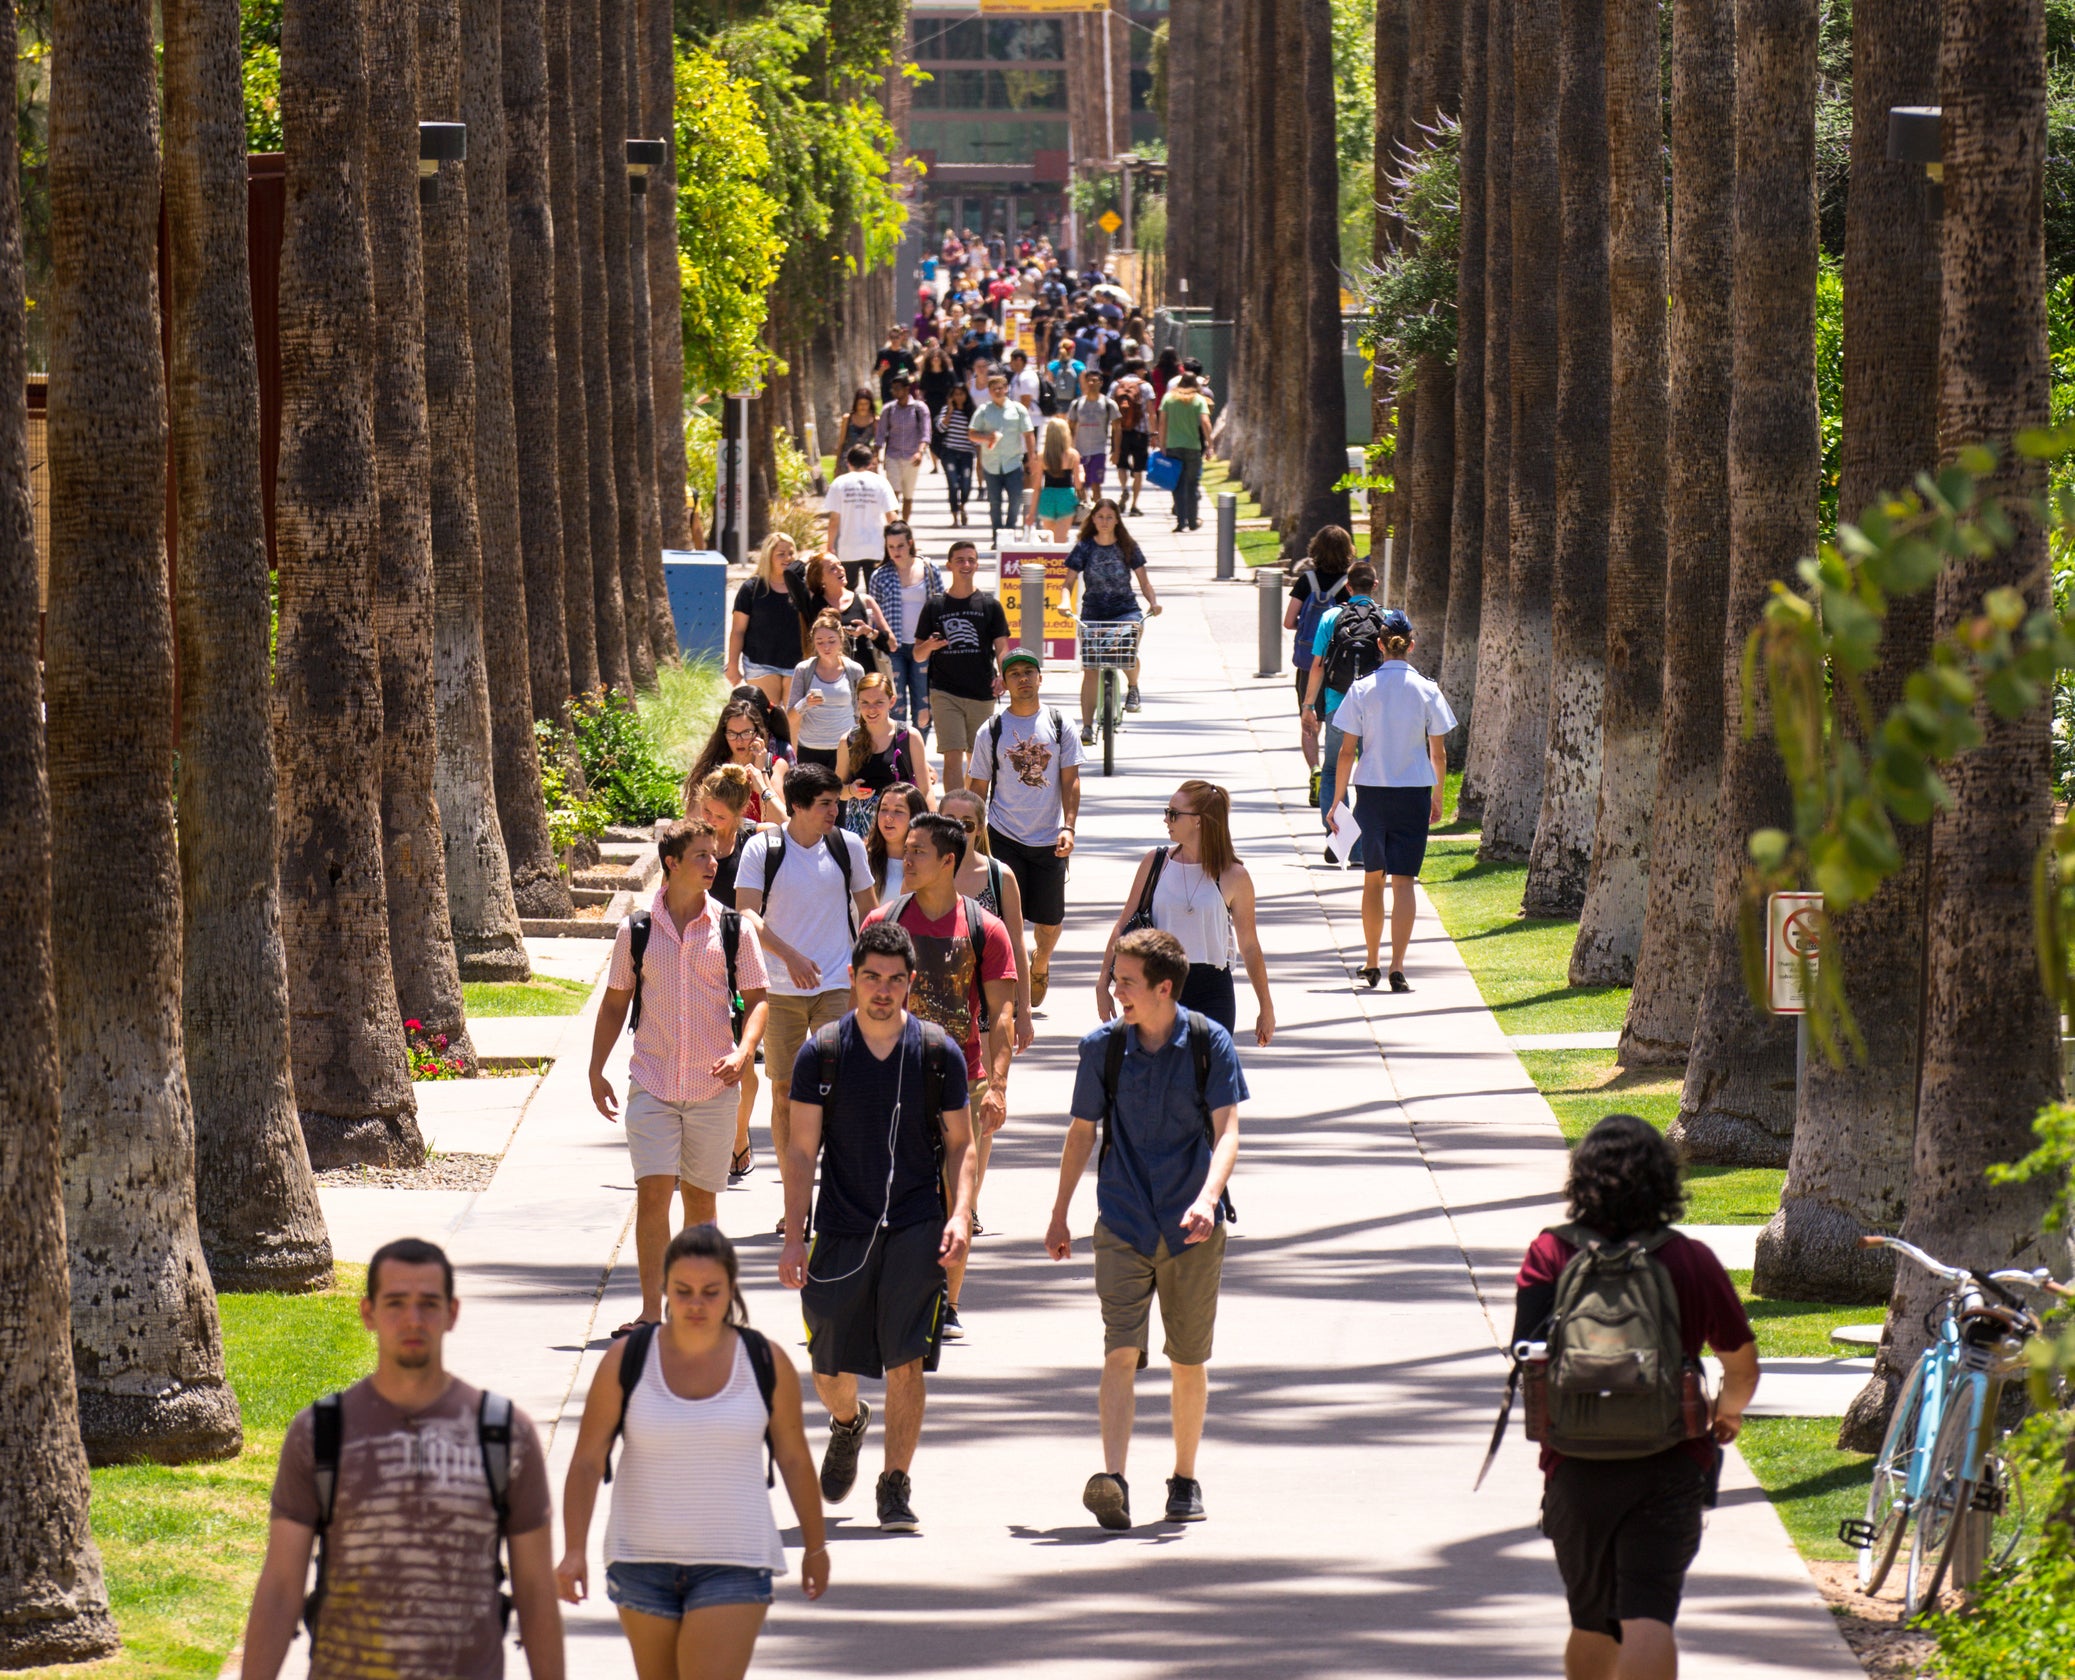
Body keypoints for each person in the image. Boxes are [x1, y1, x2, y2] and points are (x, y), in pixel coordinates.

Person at [242, 1239, 566, 1680]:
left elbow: (536, 1591)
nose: (413, 1319)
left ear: (452, 1313)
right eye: (395, 1303)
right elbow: (281, 1587)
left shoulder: (506, 1434)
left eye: (428, 1304)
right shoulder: (320, 1433)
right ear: (367, 1313)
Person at [1514, 1115, 1760, 1680]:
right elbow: (1741, 1365)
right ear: (1662, 1181)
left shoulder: (1550, 1253)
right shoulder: (1689, 1258)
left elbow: (1526, 1354)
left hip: (1574, 1463)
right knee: (1649, 1614)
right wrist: (1725, 1414)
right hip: (1670, 1460)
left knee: (1592, 1620)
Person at [556, 1226, 827, 1679]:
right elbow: (586, 1462)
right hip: (640, 1562)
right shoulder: (627, 1360)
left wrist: (815, 1547)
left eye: (710, 1291)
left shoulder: (764, 1360)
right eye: (682, 1291)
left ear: (731, 1292)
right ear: (663, 1289)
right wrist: (572, 1551)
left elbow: (795, 1459)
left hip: (735, 1561)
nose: (696, 1303)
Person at [777, 922, 977, 1534]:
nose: (883, 991)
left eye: (895, 980)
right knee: (828, 1366)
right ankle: (846, 1421)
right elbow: (800, 1149)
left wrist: (961, 1213)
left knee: (904, 1361)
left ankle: (895, 1484)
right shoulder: (824, 1052)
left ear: (911, 985)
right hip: (841, 1225)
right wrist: (793, 1235)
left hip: (916, 1225)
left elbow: (962, 1144)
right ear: (853, 980)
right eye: (872, 978)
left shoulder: (939, 1053)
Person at [1044, 929, 1246, 1532]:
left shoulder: (1210, 1043)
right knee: (1120, 1351)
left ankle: (1184, 1480)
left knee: (1187, 1359)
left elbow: (1228, 1130)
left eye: (1126, 981)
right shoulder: (1102, 1048)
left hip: (1191, 1227)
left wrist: (1209, 1199)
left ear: (1163, 988)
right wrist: (1059, 1213)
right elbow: (1082, 1132)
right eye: (1115, 978)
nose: (1115, 990)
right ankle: (1115, 1481)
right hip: (1124, 1221)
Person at [591, 820, 770, 1332]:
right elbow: (614, 1004)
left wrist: (744, 1052)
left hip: (715, 1087)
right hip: (653, 1082)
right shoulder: (638, 930)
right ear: (672, 863)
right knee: (652, 1194)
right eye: (701, 856)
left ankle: (700, 1312)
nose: (713, 864)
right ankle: (652, 1312)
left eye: (714, 855)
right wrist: (595, 1069)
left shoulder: (733, 927)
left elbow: (758, 1000)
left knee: (701, 1202)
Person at [862, 813, 1018, 1343]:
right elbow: (863, 1000)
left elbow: (1000, 1015)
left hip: (963, 1078)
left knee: (958, 1195)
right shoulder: (884, 924)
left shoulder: (984, 928)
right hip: (891, 1074)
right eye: (906, 850)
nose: (906, 859)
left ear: (949, 861)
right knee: (890, 1189)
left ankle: (948, 1303)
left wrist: (997, 1085)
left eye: (919, 852)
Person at [734, 763, 879, 1234]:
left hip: (838, 983)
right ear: (796, 806)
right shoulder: (763, 848)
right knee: (783, 1092)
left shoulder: (847, 845)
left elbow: (870, 911)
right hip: (778, 988)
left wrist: (877, 975)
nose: (835, 811)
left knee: (842, 1089)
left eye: (835, 803)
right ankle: (795, 1200)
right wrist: (791, 956)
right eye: (825, 804)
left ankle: (839, 1192)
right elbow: (746, 914)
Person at [1328, 607, 1457, 992]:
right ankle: (1397, 966)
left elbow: (1346, 752)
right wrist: (1438, 795)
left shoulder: (1362, 689)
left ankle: (1371, 962)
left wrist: (1338, 800)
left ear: (1380, 646)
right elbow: (1439, 753)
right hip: (1414, 793)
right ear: (1411, 646)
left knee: (1372, 880)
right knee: (1404, 882)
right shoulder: (1428, 689)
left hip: (1371, 794)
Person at [1097, 781, 1274, 1046]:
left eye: (1174, 814)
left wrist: (1266, 1006)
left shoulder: (1233, 876)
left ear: (1199, 821)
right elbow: (1123, 925)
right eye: (1167, 811)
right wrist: (1103, 983)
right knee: (1161, 1077)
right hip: (1158, 986)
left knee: (1207, 1077)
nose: (1166, 819)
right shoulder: (1155, 864)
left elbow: (1249, 946)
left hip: (1212, 990)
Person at [966, 648, 1082, 1010]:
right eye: (1014, 673)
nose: (1023, 679)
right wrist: (971, 836)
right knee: (1001, 920)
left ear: (1040, 679)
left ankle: (1041, 962)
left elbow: (1071, 780)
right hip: (1003, 835)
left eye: (1029, 673)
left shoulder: (1061, 725)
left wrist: (1069, 827)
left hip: (1049, 838)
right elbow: (978, 787)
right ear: (1005, 682)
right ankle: (1007, 990)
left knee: (1050, 922)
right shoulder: (993, 730)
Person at [696, 767, 770, 1186]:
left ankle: (739, 1137)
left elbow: (792, 828)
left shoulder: (757, 841)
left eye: (719, 815)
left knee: (745, 1062)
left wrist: (761, 783)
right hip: (700, 960)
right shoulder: (694, 842)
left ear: (740, 813)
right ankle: (710, 1139)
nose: (709, 820)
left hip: (743, 964)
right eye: (705, 810)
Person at [1302, 558, 1385, 856]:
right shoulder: (1387, 618)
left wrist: (1308, 705)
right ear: (1375, 586)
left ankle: (1338, 840)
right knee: (1369, 774)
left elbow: (1317, 666)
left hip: (1339, 705)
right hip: (1377, 709)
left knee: (1334, 770)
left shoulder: (1331, 618)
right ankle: (1362, 847)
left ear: (1348, 587)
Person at [913, 538, 1009, 794]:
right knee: (952, 754)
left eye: (971, 560)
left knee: (977, 758)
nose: (966, 565)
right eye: (960, 560)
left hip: (981, 690)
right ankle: (954, 817)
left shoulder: (990, 606)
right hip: (945, 691)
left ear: (977, 565)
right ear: (949, 565)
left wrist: (1004, 675)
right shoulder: (935, 606)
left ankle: (974, 815)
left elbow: (1001, 647)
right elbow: (918, 654)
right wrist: (930, 646)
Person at [1061, 499, 1160, 734]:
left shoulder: (1127, 546)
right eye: (1100, 517)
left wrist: (1153, 603)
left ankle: (1133, 686)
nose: (1104, 522)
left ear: (1117, 520)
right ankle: (1086, 727)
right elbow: (1068, 583)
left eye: (1109, 517)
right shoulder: (1084, 547)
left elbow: (1143, 582)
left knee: (1126, 651)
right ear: (1092, 519)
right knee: (1091, 668)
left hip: (1125, 610)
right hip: (1093, 612)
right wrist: (1064, 603)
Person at [1287, 526, 1355, 795]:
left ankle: (1314, 769)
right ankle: (1330, 774)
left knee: (1309, 722)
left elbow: (1288, 621)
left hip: (1307, 664)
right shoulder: (1348, 584)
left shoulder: (1307, 581)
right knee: (1336, 721)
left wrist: (1308, 628)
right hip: (1340, 665)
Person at [867, 524, 942, 733]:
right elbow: (875, 615)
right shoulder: (880, 575)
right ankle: (899, 757)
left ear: (910, 543)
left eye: (900, 545)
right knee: (895, 705)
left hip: (923, 646)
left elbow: (940, 604)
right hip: (893, 649)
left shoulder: (928, 569)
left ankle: (918, 755)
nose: (896, 551)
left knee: (923, 706)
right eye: (891, 547)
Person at [837, 670, 934, 830]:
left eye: (878, 702)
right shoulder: (848, 740)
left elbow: (926, 789)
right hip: (862, 828)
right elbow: (837, 790)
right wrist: (851, 791)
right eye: (865, 703)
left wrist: (931, 827)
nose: (871, 709)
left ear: (892, 701)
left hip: (901, 824)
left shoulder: (909, 737)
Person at [726, 533, 808, 708]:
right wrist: (732, 665)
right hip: (760, 664)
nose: (787, 558)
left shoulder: (803, 588)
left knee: (793, 721)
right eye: (781, 554)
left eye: (791, 553)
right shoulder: (751, 589)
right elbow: (738, 631)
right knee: (767, 719)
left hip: (797, 664)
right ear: (768, 556)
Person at [686, 700, 786, 827]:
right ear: (724, 735)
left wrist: (761, 772)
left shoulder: (776, 765)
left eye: (746, 733)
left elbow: (780, 822)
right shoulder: (713, 767)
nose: (739, 741)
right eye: (732, 734)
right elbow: (693, 822)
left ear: (758, 733)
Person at [786, 611, 866, 771]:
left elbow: (861, 713)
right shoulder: (804, 670)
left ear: (841, 639)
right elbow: (789, 717)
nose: (826, 647)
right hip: (810, 747)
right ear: (813, 642)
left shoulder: (854, 670)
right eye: (820, 642)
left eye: (831, 641)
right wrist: (805, 703)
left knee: (842, 794)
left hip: (845, 746)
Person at [969, 371, 1038, 545]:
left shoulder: (1018, 409)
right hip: (991, 463)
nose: (998, 391)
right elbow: (972, 434)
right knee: (994, 502)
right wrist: (986, 437)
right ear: (989, 391)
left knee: (1015, 499)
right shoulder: (984, 411)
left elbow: (1029, 434)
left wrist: (1032, 457)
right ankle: (997, 536)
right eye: (994, 389)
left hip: (1013, 463)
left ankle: (1010, 531)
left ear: (1007, 389)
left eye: (1001, 388)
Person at [800, 549, 893, 674]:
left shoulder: (865, 600)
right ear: (820, 579)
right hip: (828, 678)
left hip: (865, 678)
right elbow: (790, 574)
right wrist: (807, 558)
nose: (840, 569)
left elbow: (892, 644)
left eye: (840, 564)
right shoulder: (813, 604)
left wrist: (868, 632)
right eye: (832, 568)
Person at [822, 445, 900, 591]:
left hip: (848, 546)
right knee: (876, 589)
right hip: (876, 545)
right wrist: (900, 540)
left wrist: (830, 545)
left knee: (847, 590)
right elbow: (891, 516)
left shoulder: (839, 483)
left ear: (848, 463)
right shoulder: (880, 482)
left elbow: (834, 520)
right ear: (870, 463)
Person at [1155, 373, 1211, 532]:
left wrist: (1162, 443)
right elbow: (1205, 423)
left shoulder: (1168, 398)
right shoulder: (1199, 400)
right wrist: (1210, 444)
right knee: (1192, 484)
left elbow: (1162, 422)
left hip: (1173, 447)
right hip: (1193, 447)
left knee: (1178, 485)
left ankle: (1181, 522)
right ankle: (1193, 521)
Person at [875, 373, 933, 523]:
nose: (896, 392)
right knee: (893, 494)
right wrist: (876, 455)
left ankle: (904, 525)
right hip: (893, 455)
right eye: (893, 389)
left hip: (911, 457)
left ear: (907, 389)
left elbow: (925, 433)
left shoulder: (919, 409)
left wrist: (920, 452)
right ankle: (894, 525)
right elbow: (880, 434)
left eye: (898, 388)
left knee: (908, 495)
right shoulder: (888, 409)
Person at [1067, 367, 1120, 510]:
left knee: (1096, 485)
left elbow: (1117, 429)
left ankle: (1097, 513)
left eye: (1094, 380)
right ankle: (1083, 511)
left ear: (1101, 383)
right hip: (1080, 451)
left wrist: (1116, 451)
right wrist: (1068, 449)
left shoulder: (1109, 404)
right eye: (1088, 380)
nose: (1091, 383)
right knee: (1079, 484)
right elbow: (1069, 427)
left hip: (1098, 451)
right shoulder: (1077, 404)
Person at [865, 781, 929, 898]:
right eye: (883, 809)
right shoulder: (861, 857)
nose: (888, 817)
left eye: (898, 811)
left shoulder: (930, 862)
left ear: (915, 817)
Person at [1108, 359, 1155, 516]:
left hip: (1120, 431)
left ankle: (1123, 489)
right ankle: (1134, 505)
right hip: (1140, 432)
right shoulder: (1146, 386)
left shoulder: (1116, 385)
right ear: (1137, 370)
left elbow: (1109, 407)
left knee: (1121, 464)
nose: (1146, 372)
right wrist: (1154, 434)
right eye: (1143, 369)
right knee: (1139, 469)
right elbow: (1151, 412)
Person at [1034, 417, 1082, 543]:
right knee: (1060, 540)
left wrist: (1031, 512)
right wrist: (1082, 473)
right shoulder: (1073, 455)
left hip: (1047, 497)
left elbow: (1037, 486)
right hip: (1066, 497)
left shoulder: (1042, 456)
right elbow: (1078, 484)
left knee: (1049, 540)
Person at [935, 383, 977, 526]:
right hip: (950, 452)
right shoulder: (947, 410)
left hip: (967, 453)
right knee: (953, 484)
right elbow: (940, 428)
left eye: (961, 394)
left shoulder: (971, 411)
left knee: (966, 483)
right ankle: (955, 517)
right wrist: (950, 412)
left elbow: (977, 432)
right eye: (956, 394)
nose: (959, 397)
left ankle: (962, 505)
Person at [833, 388, 879, 468]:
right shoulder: (847, 418)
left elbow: (877, 443)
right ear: (856, 404)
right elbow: (841, 443)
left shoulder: (875, 420)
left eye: (866, 404)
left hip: (865, 459)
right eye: (860, 404)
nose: (863, 407)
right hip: (847, 458)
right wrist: (837, 466)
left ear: (870, 404)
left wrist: (875, 460)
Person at [874, 322, 917, 404]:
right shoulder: (883, 353)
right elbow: (877, 373)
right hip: (887, 390)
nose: (894, 340)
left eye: (897, 337)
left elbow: (914, 375)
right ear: (889, 338)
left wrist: (907, 379)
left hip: (902, 391)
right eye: (892, 337)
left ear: (901, 337)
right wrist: (882, 369)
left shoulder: (906, 355)